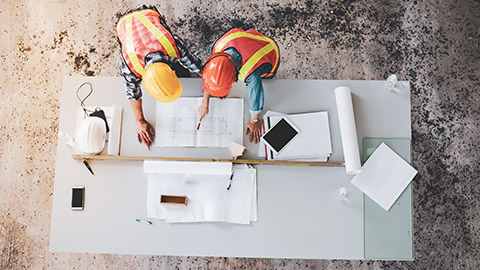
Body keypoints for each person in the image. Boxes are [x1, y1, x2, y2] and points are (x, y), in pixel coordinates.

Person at [116, 5, 201, 148]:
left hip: (147, 13)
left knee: (185, 68)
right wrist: (139, 120)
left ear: (173, 72)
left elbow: (192, 63)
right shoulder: (129, 66)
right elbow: (132, 93)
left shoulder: (171, 44)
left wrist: (209, 82)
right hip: (125, 25)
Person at [198, 28, 280, 144]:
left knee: (267, 79)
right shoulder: (218, 48)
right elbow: (214, 73)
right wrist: (205, 101)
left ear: (233, 80)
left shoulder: (251, 73)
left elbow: (256, 94)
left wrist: (254, 120)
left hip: (269, 53)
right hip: (248, 40)